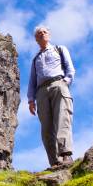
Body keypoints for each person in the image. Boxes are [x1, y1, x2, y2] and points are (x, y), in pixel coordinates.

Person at [27, 25, 75, 167]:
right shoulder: (35, 59)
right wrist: (31, 100)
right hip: (41, 91)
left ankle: (65, 154)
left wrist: (66, 81)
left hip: (58, 84)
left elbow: (69, 67)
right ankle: (54, 161)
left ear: (49, 35)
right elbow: (32, 80)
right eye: (39, 34)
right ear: (36, 39)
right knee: (46, 127)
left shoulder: (59, 49)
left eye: (44, 32)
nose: (42, 34)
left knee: (63, 119)